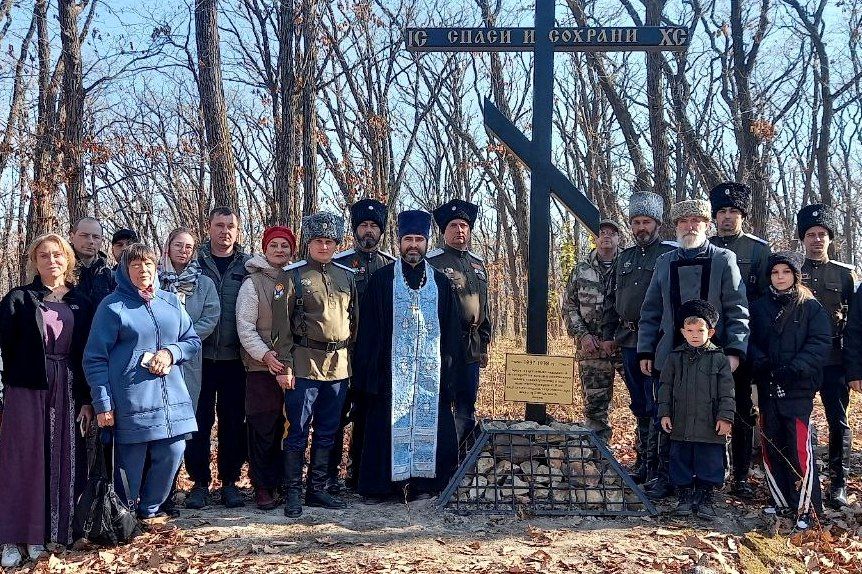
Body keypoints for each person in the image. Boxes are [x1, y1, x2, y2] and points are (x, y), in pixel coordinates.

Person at [637, 198, 749, 500]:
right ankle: (666, 476)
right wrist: (646, 351)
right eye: (683, 222)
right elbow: (650, 311)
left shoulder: (723, 259)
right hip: (670, 356)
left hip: (712, 358)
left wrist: (735, 351)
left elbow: (737, 308)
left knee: (709, 416)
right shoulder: (665, 262)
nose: (689, 227)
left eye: (695, 221)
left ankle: (708, 483)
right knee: (667, 414)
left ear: (706, 225)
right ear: (676, 227)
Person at [353, 210, 466, 502]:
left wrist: (451, 374)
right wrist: (369, 375)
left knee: (434, 424)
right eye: (407, 240)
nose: (413, 245)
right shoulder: (381, 281)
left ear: (427, 242)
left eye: (419, 239)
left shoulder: (441, 283)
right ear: (399, 242)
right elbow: (367, 332)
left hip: (430, 376)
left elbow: (452, 332)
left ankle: (426, 485)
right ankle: (383, 488)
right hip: (389, 376)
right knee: (383, 428)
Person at [84, 243, 201, 520]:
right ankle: (124, 517)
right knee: (129, 467)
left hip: (171, 400)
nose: (143, 270)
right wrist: (103, 403)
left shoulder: (170, 302)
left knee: (174, 452)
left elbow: (192, 341)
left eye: (148, 264)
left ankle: (149, 512)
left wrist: (171, 353)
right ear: (125, 271)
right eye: (135, 265)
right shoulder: (112, 307)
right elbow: (95, 358)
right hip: (131, 401)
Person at [0, 234, 93, 568]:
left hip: (67, 389)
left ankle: (47, 534)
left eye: (57, 254)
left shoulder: (81, 301)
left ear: (67, 259)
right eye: (43, 255)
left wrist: (87, 399)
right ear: (34, 261)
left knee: (61, 460)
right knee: (23, 460)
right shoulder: (19, 299)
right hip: (26, 388)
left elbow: (86, 354)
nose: (51, 260)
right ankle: (12, 538)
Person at [271, 212, 357, 517]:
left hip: (339, 366)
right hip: (304, 365)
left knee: (328, 430)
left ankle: (318, 489)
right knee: (297, 430)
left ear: (336, 244)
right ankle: (292, 491)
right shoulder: (292, 276)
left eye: (329, 241)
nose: (324, 246)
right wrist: (285, 367)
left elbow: (354, 323)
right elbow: (281, 328)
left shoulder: (346, 276)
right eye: (318, 241)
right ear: (309, 243)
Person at [749, 252, 831, 529]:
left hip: (798, 387)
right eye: (775, 272)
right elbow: (749, 339)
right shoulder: (759, 307)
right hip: (768, 384)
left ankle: (807, 507)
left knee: (799, 448)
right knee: (771, 444)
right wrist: (759, 361)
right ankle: (781, 500)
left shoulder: (810, 307)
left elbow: (820, 343)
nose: (780, 277)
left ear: (795, 275)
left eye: (786, 271)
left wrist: (796, 368)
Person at [601, 191, 675, 483]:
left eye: (646, 221)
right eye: (636, 222)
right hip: (628, 341)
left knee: (658, 404)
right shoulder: (625, 258)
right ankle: (643, 462)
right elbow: (610, 299)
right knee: (639, 405)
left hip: (658, 341)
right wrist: (607, 335)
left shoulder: (669, 255)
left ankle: (659, 467)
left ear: (657, 223)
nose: (641, 227)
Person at [185, 207, 252, 509]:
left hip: (235, 357)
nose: (225, 231)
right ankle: (198, 482)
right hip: (197, 357)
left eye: (231, 226)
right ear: (208, 227)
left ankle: (229, 482)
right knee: (198, 420)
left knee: (233, 422)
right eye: (219, 225)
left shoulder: (249, 265)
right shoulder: (193, 263)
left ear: (237, 231)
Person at [708, 182, 770, 499]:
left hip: (743, 344)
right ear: (714, 216)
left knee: (744, 409)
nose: (727, 217)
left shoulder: (758, 251)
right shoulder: (704, 248)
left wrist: (750, 346)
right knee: (712, 408)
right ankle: (714, 471)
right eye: (722, 212)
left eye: (733, 212)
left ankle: (742, 476)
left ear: (742, 215)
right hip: (708, 343)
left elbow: (763, 303)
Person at [331, 198, 395, 493]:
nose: (368, 231)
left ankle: (360, 475)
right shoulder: (339, 264)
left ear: (381, 231)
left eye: (373, 226)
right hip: (342, 354)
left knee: (369, 418)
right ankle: (328, 476)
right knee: (334, 416)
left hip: (378, 358)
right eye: (363, 225)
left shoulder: (391, 266)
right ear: (354, 229)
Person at [157, 227, 221, 515]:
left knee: (191, 422)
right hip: (155, 362)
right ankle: (161, 490)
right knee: (159, 424)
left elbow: (211, 316)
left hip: (190, 360)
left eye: (189, 246)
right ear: (168, 247)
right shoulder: (153, 279)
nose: (183, 250)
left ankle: (197, 483)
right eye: (178, 245)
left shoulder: (203, 284)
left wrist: (181, 343)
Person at [796, 204, 856, 509]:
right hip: (803, 359)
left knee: (838, 421)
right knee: (800, 420)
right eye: (810, 235)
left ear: (830, 239)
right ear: (803, 239)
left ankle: (838, 483)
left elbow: (855, 320)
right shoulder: (794, 272)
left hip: (834, 358)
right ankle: (804, 478)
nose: (817, 240)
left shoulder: (845, 274)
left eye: (822, 234)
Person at [236, 225, 297, 510]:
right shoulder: (253, 283)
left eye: (285, 245)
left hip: (293, 365)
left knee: (290, 427)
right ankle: (263, 485)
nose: (280, 250)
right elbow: (245, 327)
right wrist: (266, 356)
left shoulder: (296, 278)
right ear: (265, 249)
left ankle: (287, 481)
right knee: (264, 425)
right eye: (275, 245)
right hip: (261, 367)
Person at [657, 299, 735, 519]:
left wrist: (725, 417)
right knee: (680, 457)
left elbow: (727, 392)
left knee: (708, 459)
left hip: (709, 423)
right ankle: (683, 495)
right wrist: (664, 413)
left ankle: (705, 496)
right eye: (689, 330)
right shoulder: (675, 358)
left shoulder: (718, 359)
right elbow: (665, 388)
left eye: (699, 330)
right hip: (680, 422)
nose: (694, 335)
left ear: (710, 332)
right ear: (682, 332)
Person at [427, 199, 491, 444]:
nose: (459, 230)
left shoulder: (478, 264)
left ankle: (462, 456)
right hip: (442, 345)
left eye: (464, 225)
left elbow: (485, 306)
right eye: (453, 225)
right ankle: (441, 459)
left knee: (467, 402)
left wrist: (484, 344)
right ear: (444, 231)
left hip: (471, 345)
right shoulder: (433, 262)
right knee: (441, 401)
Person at [562, 219, 625, 443]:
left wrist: (622, 336)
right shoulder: (581, 269)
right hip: (592, 348)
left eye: (612, 233)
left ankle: (645, 459)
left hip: (624, 344)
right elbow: (569, 306)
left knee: (643, 401)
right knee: (595, 407)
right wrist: (583, 335)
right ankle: (600, 455)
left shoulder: (628, 265)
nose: (607, 236)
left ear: (619, 238)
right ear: (595, 238)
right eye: (602, 232)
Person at [69, 216, 116, 306]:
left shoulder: (110, 277)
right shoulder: (60, 273)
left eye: (96, 237)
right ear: (72, 237)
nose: (91, 241)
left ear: (102, 240)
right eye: (84, 236)